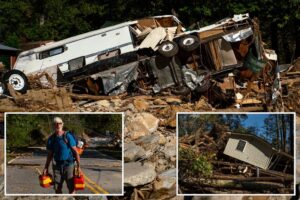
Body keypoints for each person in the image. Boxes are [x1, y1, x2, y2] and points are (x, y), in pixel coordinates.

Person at [43, 117, 80, 194]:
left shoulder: (68, 136)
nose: (58, 125)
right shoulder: (51, 138)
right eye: (56, 124)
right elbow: (50, 155)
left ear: (62, 124)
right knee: (57, 188)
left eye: (59, 123)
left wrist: (78, 167)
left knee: (71, 188)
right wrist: (46, 167)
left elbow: (76, 152)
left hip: (69, 165)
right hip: (57, 167)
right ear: (53, 125)